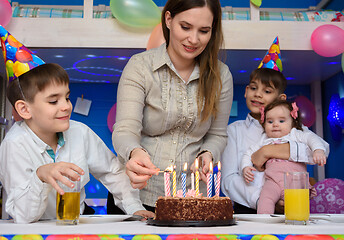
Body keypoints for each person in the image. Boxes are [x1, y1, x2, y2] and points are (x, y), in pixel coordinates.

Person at [112, 0, 233, 211]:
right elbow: (124, 130)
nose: (193, 39)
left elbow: (218, 135)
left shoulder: (221, 76)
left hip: (193, 198)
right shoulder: (140, 66)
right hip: (136, 196)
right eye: (185, 27)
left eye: (204, 31)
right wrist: (134, 153)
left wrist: (208, 153)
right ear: (168, 20)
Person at [221, 37, 329, 214]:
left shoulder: (292, 128)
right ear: (246, 91)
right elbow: (229, 179)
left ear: (281, 99)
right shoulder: (234, 131)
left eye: (267, 91)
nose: (258, 95)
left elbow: (321, 149)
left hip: (292, 203)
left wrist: (268, 152)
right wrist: (262, 199)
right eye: (254, 88)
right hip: (249, 209)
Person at [241, 100, 327, 214]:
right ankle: (263, 224)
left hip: (295, 182)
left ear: (293, 122)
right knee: (265, 199)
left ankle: (297, 229)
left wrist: (318, 150)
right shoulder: (264, 140)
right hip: (273, 181)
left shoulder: (295, 134)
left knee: (298, 211)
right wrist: (245, 167)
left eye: (281, 121)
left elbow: (312, 139)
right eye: (270, 121)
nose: (275, 124)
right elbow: (249, 153)